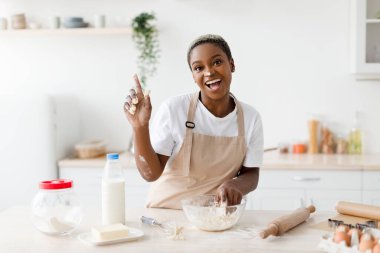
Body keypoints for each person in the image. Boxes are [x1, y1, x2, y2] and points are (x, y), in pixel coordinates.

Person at [124, 34, 263, 209]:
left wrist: (236, 185)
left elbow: (251, 174)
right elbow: (150, 174)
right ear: (193, 75)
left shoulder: (251, 118)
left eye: (217, 62)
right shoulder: (174, 109)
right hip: (165, 215)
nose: (209, 72)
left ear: (232, 64)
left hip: (213, 217)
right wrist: (139, 126)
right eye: (198, 68)